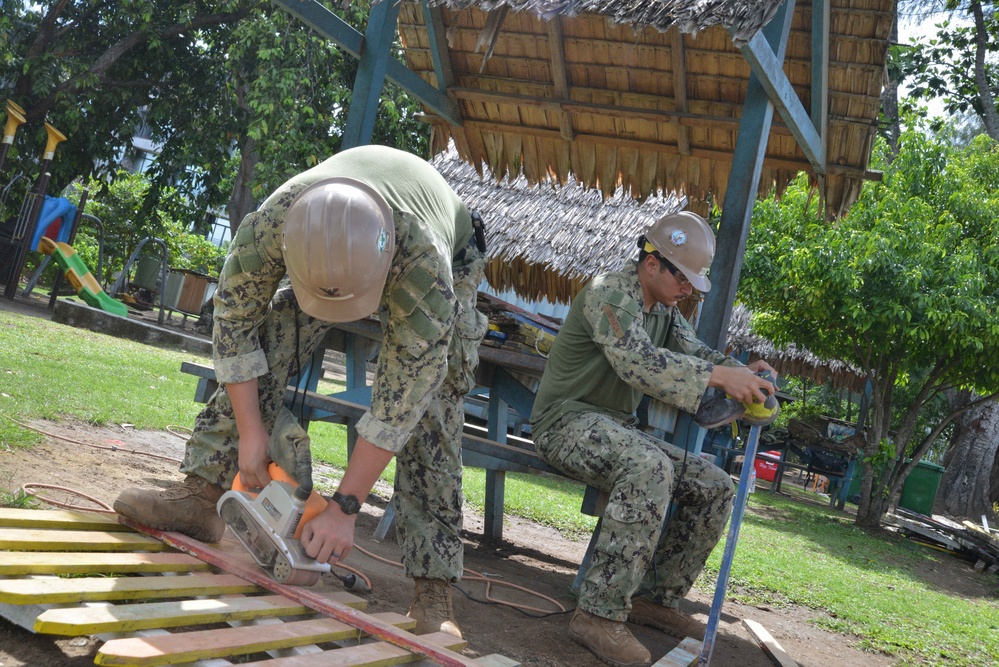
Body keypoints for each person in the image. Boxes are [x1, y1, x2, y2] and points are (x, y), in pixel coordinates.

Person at [114, 144, 488, 638]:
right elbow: (235, 327)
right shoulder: (272, 225)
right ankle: (203, 497)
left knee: (434, 404)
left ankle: (432, 588)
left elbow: (404, 398)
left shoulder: (425, 269)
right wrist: (251, 434)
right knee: (277, 329)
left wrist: (344, 508)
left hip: (446, 257)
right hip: (342, 249)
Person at [529, 211, 777, 667]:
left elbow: (696, 353)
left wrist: (739, 373)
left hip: (615, 430)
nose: (688, 290)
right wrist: (720, 376)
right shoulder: (610, 293)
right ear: (651, 263)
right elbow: (637, 363)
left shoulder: (663, 310)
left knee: (715, 485)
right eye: (683, 279)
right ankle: (597, 615)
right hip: (564, 423)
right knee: (649, 467)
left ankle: (653, 599)